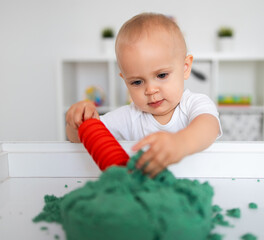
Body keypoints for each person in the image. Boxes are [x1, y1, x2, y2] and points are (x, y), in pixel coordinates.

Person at [66, 13, 222, 177]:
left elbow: (208, 127)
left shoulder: (194, 103)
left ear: (185, 67)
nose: (150, 90)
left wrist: (180, 143)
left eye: (161, 75)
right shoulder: (129, 116)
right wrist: (78, 121)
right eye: (137, 82)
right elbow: (80, 138)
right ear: (125, 81)